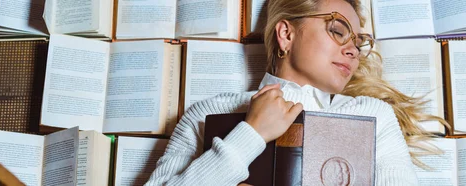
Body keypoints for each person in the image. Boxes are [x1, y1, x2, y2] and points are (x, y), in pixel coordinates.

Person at [145, 0, 446, 185]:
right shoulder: (206, 114)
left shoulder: (372, 115)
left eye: (358, 42)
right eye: (338, 31)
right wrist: (249, 135)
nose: (353, 50)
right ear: (286, 34)